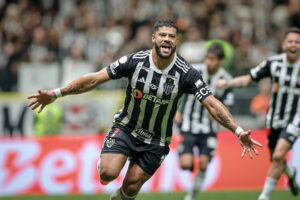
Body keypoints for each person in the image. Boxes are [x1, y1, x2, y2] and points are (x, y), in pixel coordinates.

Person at [27, 19, 261, 200]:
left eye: (171, 36)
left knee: (130, 188)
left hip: (157, 140)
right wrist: (57, 93)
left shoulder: (187, 73)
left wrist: (238, 130)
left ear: (176, 42)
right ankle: (106, 161)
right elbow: (95, 79)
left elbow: (211, 103)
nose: (167, 40)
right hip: (127, 128)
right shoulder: (134, 61)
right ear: (153, 38)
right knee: (107, 175)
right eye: (162, 35)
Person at [217, 27, 300, 200]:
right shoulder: (274, 63)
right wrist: (229, 83)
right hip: (274, 119)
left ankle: (264, 196)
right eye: (290, 41)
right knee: (276, 159)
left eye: (297, 42)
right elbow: (249, 78)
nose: (293, 45)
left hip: (295, 119)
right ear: (284, 45)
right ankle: (290, 172)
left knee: (278, 155)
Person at [175, 43, 234, 200]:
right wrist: (176, 111)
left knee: (203, 164)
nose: (208, 62)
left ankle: (191, 196)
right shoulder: (194, 71)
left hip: (209, 129)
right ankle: (190, 162)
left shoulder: (226, 80)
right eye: (207, 58)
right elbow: (177, 89)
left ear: (221, 61)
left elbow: (227, 105)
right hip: (188, 124)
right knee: (185, 165)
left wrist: (220, 114)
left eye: (212, 59)